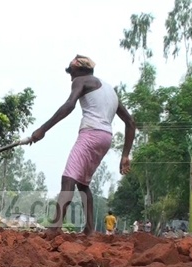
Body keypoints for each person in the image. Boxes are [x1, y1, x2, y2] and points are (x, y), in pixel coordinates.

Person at [24, 55, 136, 235]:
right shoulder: (110, 90)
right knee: (83, 184)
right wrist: (125, 155)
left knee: (68, 178)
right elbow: (130, 122)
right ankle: (90, 229)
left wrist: (43, 129)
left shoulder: (81, 80)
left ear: (80, 69)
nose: (71, 78)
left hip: (91, 134)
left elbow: (69, 105)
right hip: (106, 138)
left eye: (71, 72)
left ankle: (55, 228)